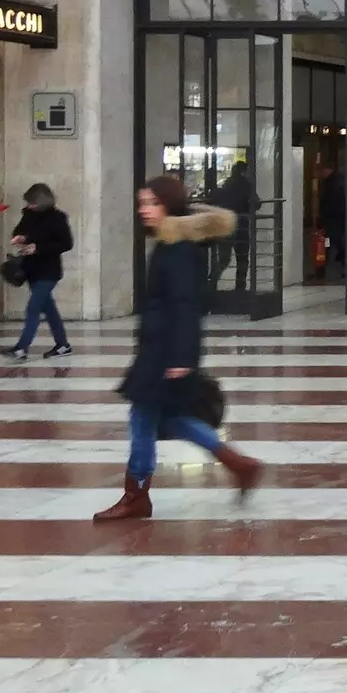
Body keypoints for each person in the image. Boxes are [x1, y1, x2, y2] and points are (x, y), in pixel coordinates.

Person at [94, 177, 262, 521]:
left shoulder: (179, 248)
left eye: (151, 202)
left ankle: (136, 495)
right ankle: (240, 465)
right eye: (142, 203)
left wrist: (182, 357)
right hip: (158, 347)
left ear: (168, 205)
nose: (144, 210)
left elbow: (186, 306)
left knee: (142, 420)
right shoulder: (171, 243)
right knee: (172, 420)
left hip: (164, 352)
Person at [6, 182, 74, 364]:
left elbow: (66, 244)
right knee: (49, 309)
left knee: (33, 308)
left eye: (32, 203)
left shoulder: (58, 218)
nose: (28, 206)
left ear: (42, 202)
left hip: (48, 270)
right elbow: (21, 230)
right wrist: (22, 237)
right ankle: (63, 345)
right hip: (31, 269)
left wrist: (38, 248)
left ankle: (21, 348)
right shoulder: (28, 214)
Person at [210, 158, 255, 292]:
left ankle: (211, 282)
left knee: (224, 259)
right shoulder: (246, 185)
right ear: (244, 172)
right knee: (242, 259)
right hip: (241, 226)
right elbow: (255, 202)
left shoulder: (226, 183)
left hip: (225, 225)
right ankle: (240, 287)